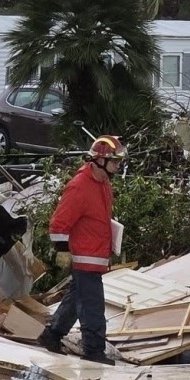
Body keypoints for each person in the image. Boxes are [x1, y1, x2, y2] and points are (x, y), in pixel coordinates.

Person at [37, 135, 127, 365]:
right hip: (86, 257)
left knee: (76, 298)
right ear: (99, 160)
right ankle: (94, 350)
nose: (118, 166)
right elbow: (59, 222)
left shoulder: (103, 183)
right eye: (114, 161)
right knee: (92, 306)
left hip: (96, 255)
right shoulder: (80, 186)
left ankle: (52, 335)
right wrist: (63, 250)